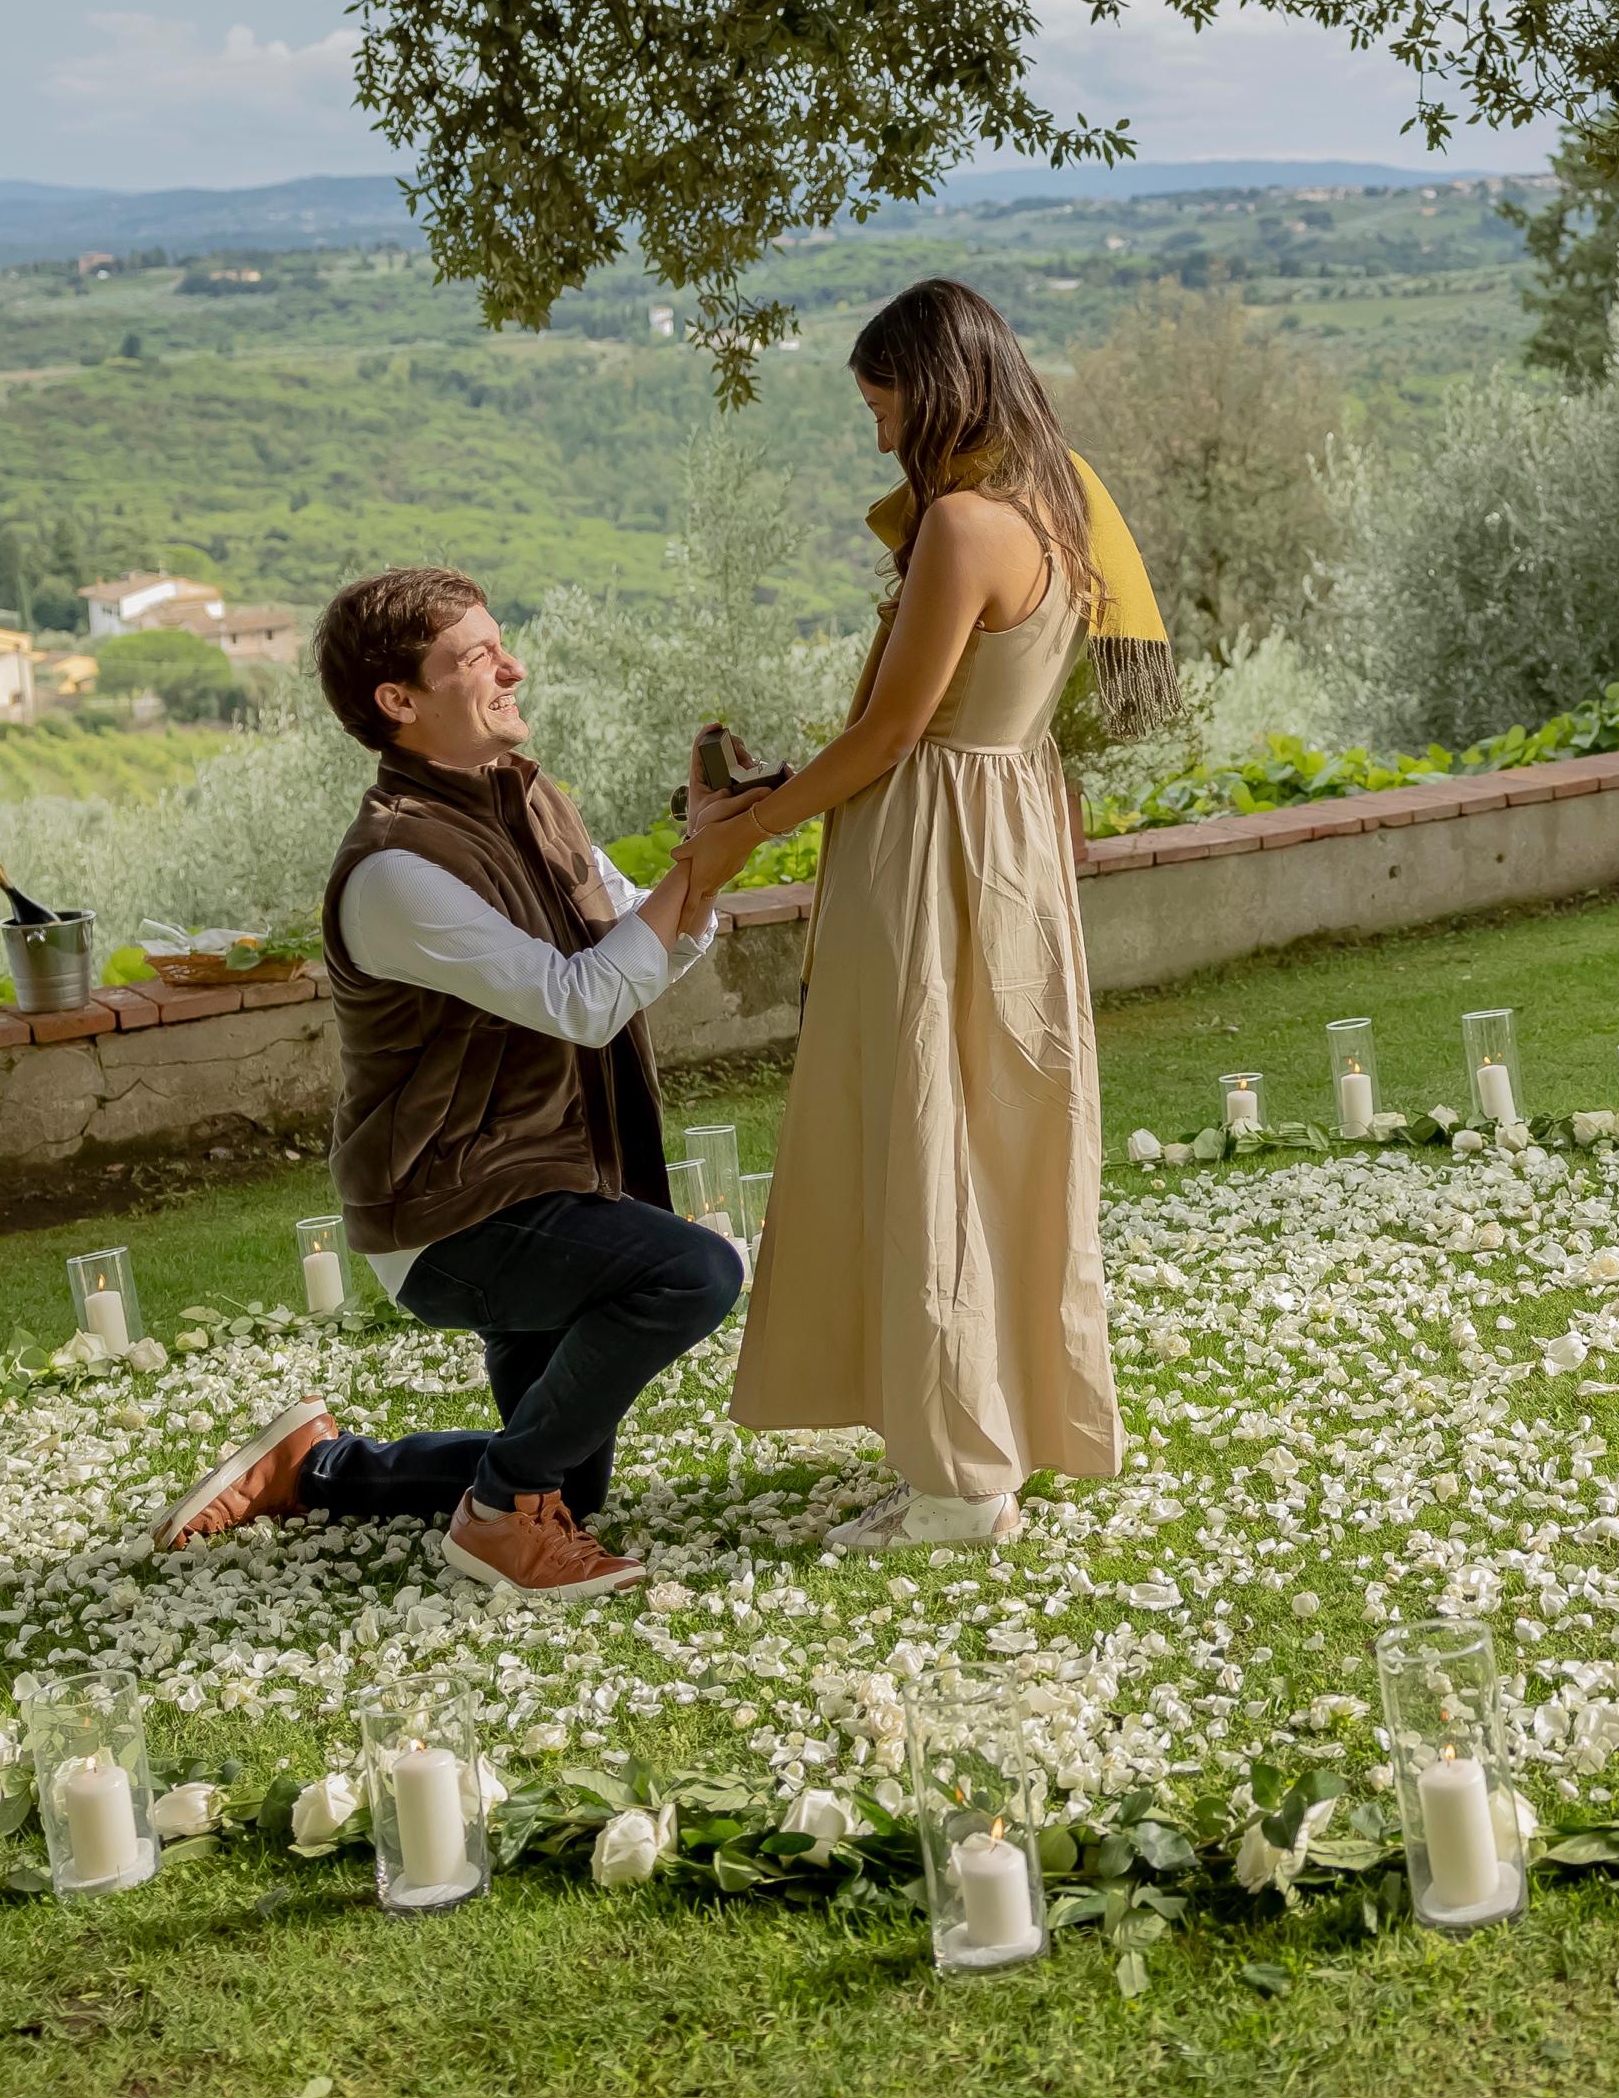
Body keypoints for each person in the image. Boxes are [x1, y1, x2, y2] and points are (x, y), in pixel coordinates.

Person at [156, 565, 745, 1601]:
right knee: (692, 1273)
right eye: (476, 655)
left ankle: (317, 1465)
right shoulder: (394, 868)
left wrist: (703, 870)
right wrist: (696, 861)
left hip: (547, 1182)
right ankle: (494, 1513)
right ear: (399, 701)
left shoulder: (531, 798)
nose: (511, 665)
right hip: (450, 1213)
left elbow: (636, 952)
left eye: (498, 641)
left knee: (577, 1483)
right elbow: (582, 1001)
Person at [677, 278, 1156, 1549]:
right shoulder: (1062, 505)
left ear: (933, 387)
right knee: (1000, 1136)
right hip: (1012, 842)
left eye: (882, 404)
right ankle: (990, 1430)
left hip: (934, 847)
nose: (879, 435)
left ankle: (955, 1478)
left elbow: (892, 733)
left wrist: (750, 827)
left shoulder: (960, 525)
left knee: (925, 1129)